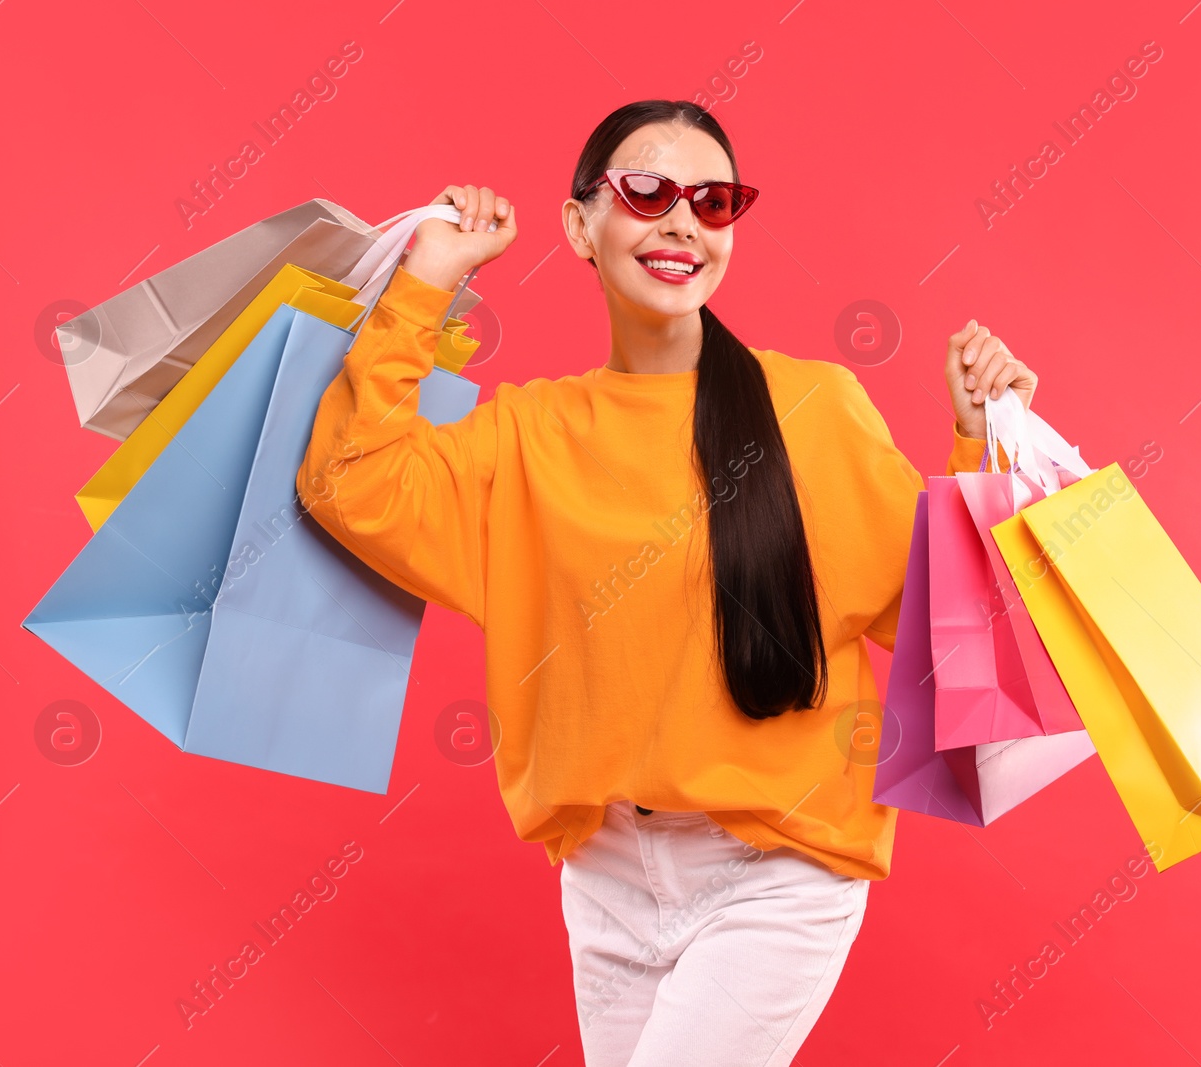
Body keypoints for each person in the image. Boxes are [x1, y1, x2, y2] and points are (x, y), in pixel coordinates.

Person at [296, 99, 1038, 1067]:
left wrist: (979, 443)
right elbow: (350, 484)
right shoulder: (530, 434)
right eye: (646, 192)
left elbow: (945, 624)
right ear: (579, 225)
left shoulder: (811, 407)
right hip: (604, 870)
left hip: (776, 867)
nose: (682, 222)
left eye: (713, 201)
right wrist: (427, 281)